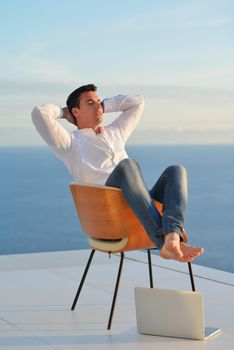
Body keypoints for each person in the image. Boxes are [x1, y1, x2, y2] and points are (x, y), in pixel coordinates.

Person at [31, 84, 204, 262]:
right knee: (127, 166)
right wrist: (63, 112)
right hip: (111, 214)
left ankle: (172, 238)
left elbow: (138, 102)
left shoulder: (115, 132)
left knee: (176, 171)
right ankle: (163, 242)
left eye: (98, 102)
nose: (98, 106)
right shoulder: (69, 144)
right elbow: (40, 113)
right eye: (90, 103)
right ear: (76, 112)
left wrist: (106, 105)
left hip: (138, 205)